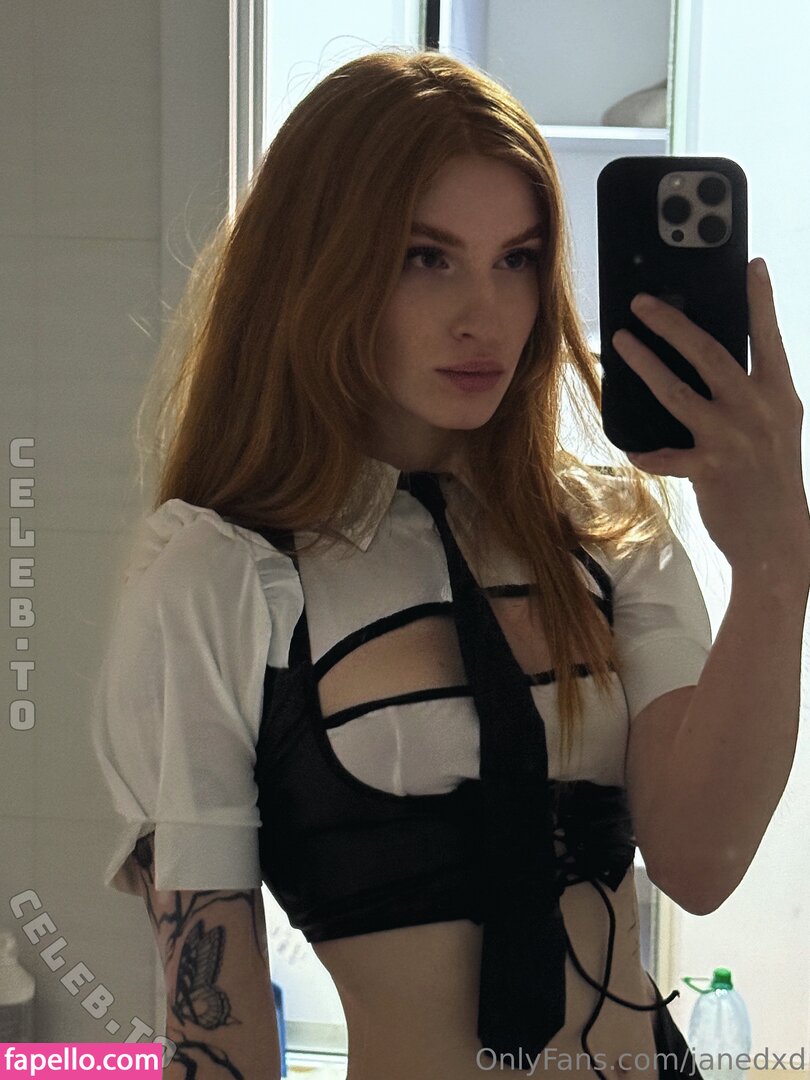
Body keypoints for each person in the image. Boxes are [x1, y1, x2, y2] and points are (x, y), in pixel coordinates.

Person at [92, 48, 809, 1080]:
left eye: (518, 259)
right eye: (426, 257)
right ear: (318, 266)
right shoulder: (219, 576)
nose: (485, 314)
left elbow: (700, 863)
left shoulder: (609, 532)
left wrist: (776, 564)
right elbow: (217, 1030)